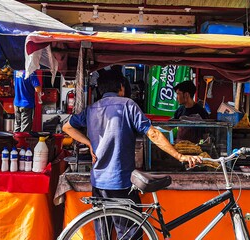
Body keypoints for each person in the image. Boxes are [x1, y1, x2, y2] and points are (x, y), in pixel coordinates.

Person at [63, 69, 202, 239]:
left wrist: (89, 143)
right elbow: (153, 134)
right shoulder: (127, 105)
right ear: (121, 87)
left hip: (98, 183)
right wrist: (180, 156)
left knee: (103, 235)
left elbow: (67, 127)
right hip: (120, 182)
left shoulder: (92, 108)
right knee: (130, 235)